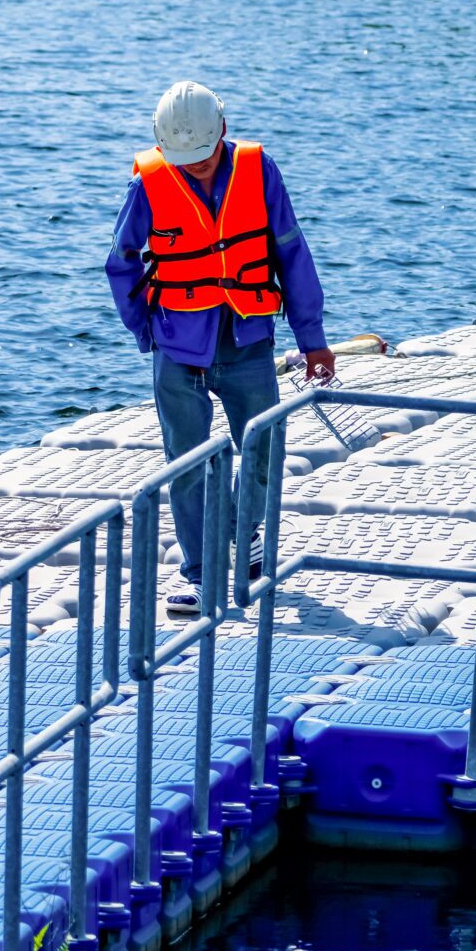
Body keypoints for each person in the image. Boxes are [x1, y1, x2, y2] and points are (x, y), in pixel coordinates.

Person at [105, 80, 334, 615]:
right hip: (177, 347)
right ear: (163, 147)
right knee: (185, 463)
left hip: (248, 340)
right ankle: (201, 572)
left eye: (204, 157)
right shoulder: (148, 185)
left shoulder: (260, 172)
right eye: (185, 159)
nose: (197, 167)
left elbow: (293, 254)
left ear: (223, 132)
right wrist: (148, 333)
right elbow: (120, 262)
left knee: (263, 452)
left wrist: (313, 339)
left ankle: (243, 531)